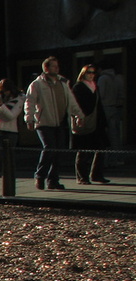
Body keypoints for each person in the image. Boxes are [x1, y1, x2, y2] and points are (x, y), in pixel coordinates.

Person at [24, 56, 83, 190]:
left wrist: (79, 114)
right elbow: (30, 102)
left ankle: (53, 180)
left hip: (60, 122)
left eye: (57, 66)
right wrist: (29, 119)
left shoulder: (63, 83)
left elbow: (71, 101)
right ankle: (40, 176)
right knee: (49, 148)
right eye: (53, 66)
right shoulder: (37, 84)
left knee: (58, 151)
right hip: (44, 121)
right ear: (46, 68)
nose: (56, 68)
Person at [71, 64, 110, 185]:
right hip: (85, 121)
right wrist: (80, 117)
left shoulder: (95, 87)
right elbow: (75, 105)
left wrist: (103, 120)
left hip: (97, 121)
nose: (91, 75)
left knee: (100, 148)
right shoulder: (78, 87)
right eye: (89, 72)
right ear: (83, 74)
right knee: (84, 150)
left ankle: (96, 174)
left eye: (93, 73)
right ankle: (82, 176)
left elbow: (99, 105)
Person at [0, 78, 24, 196]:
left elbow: (11, 116)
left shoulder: (18, 99)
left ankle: (9, 191)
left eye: (4, 91)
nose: (3, 94)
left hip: (10, 133)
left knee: (9, 164)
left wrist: (1, 105)